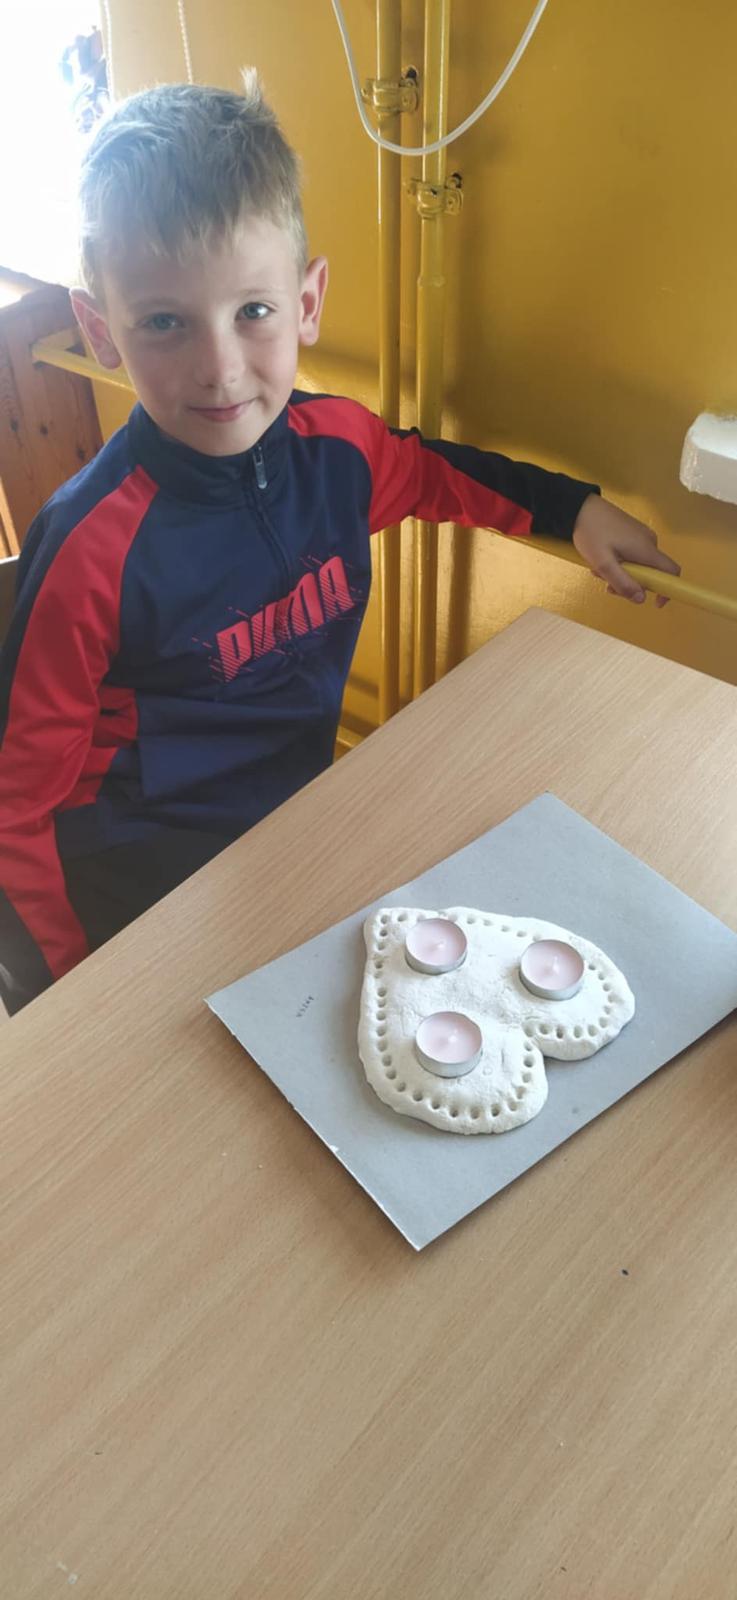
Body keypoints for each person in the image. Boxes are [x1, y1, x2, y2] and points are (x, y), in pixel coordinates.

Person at [0, 75, 681, 1016]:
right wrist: (61, 992)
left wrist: (573, 510)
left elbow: (433, 472)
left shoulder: (340, 453)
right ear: (98, 330)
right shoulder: (89, 550)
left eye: (253, 311)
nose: (219, 369)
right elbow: (19, 804)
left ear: (307, 300)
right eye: (163, 322)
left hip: (294, 828)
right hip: (138, 884)